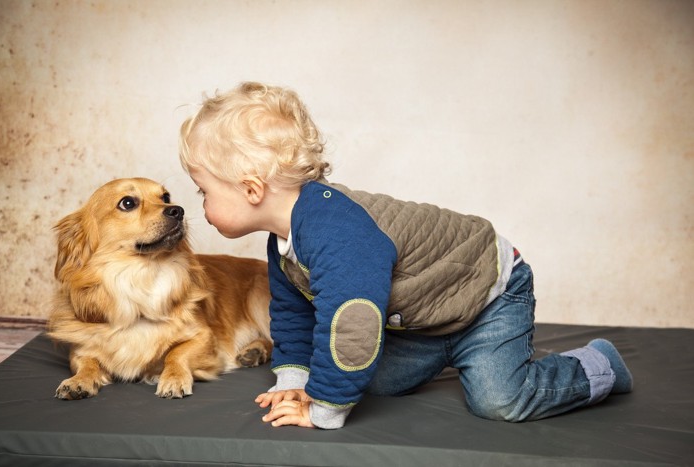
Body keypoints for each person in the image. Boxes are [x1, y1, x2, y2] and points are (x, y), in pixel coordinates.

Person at [178, 81, 633, 429]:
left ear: (251, 188)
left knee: (499, 399)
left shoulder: (336, 233)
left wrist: (324, 410)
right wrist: (294, 382)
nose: (200, 203)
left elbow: (353, 320)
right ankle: (463, 350)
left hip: (486, 292)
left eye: (204, 191)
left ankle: (597, 364)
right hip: (424, 313)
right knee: (372, 381)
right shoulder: (284, 240)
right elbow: (295, 313)